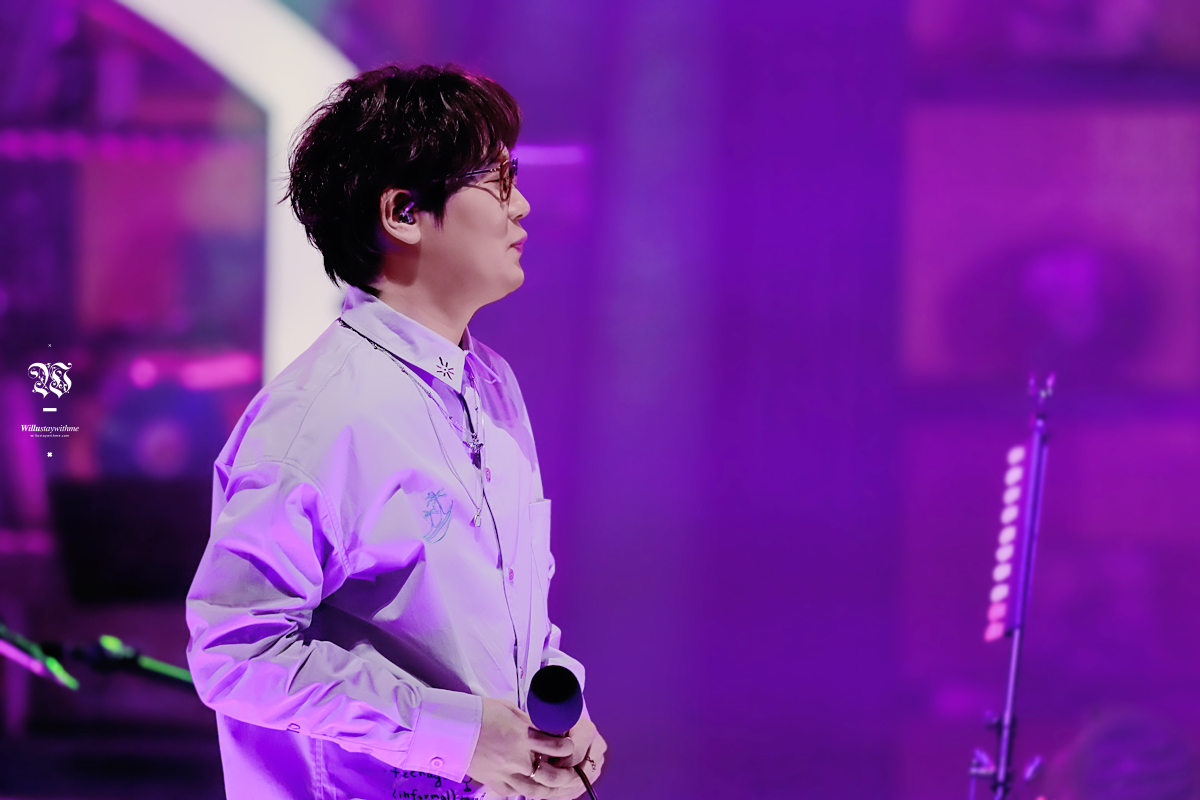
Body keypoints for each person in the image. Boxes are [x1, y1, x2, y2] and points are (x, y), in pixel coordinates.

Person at [185, 64, 605, 800]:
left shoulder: (493, 385)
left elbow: (511, 620)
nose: (522, 206)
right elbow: (235, 652)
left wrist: (556, 716)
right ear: (404, 212)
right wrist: (457, 734)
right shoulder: (322, 417)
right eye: (499, 181)